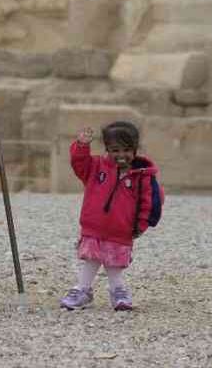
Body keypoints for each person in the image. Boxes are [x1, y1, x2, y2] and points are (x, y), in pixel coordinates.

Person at [59, 122, 158, 313]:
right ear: (106, 149)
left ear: (135, 149)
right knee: (91, 260)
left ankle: (118, 291)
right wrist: (81, 146)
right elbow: (79, 164)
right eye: (115, 150)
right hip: (93, 228)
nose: (121, 154)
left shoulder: (141, 176)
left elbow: (147, 203)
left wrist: (141, 225)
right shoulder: (96, 167)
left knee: (114, 263)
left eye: (127, 150)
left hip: (121, 230)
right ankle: (82, 290)